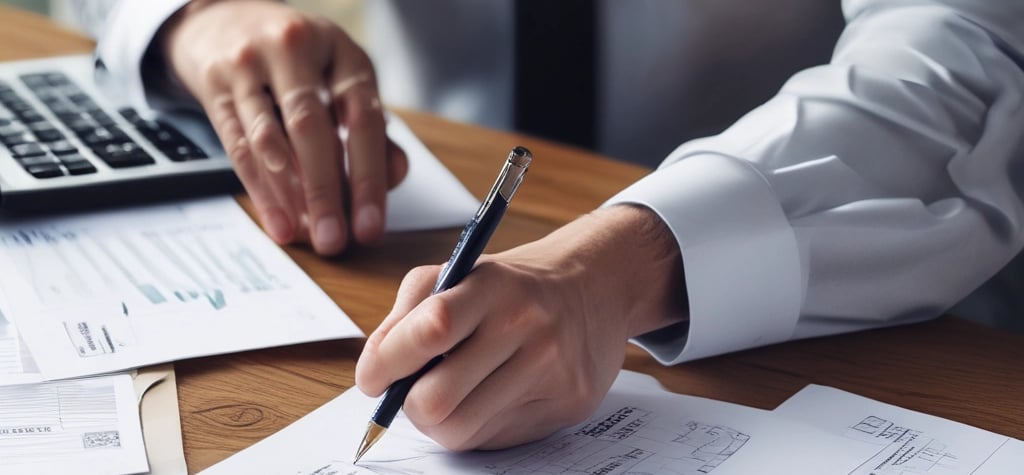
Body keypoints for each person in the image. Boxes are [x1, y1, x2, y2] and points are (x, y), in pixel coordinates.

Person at [80, 0, 1024, 451]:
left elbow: (968, 54)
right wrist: (192, 19)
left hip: (845, 282)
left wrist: (627, 259)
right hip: (417, 209)